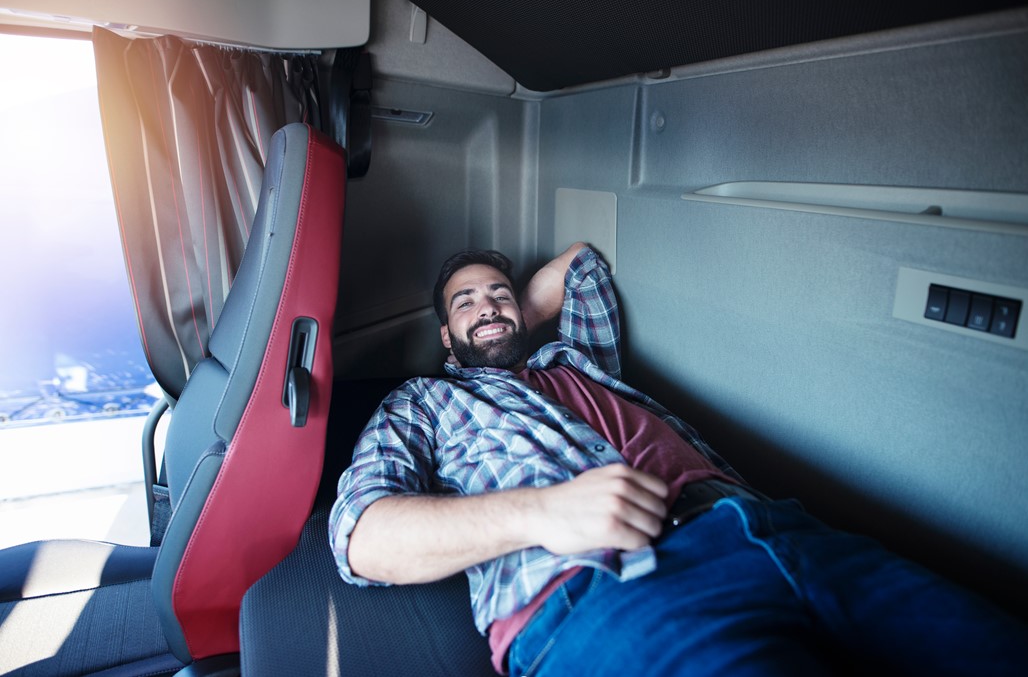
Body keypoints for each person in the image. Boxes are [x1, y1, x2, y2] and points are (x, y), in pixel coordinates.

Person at [330, 243, 1028, 676]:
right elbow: (361, 537)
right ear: (443, 338)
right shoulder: (423, 401)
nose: (488, 306)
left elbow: (584, 265)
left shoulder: (577, 357)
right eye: (465, 303)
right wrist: (545, 511)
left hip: (778, 531)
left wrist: (508, 314)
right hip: (607, 592)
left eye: (498, 295)